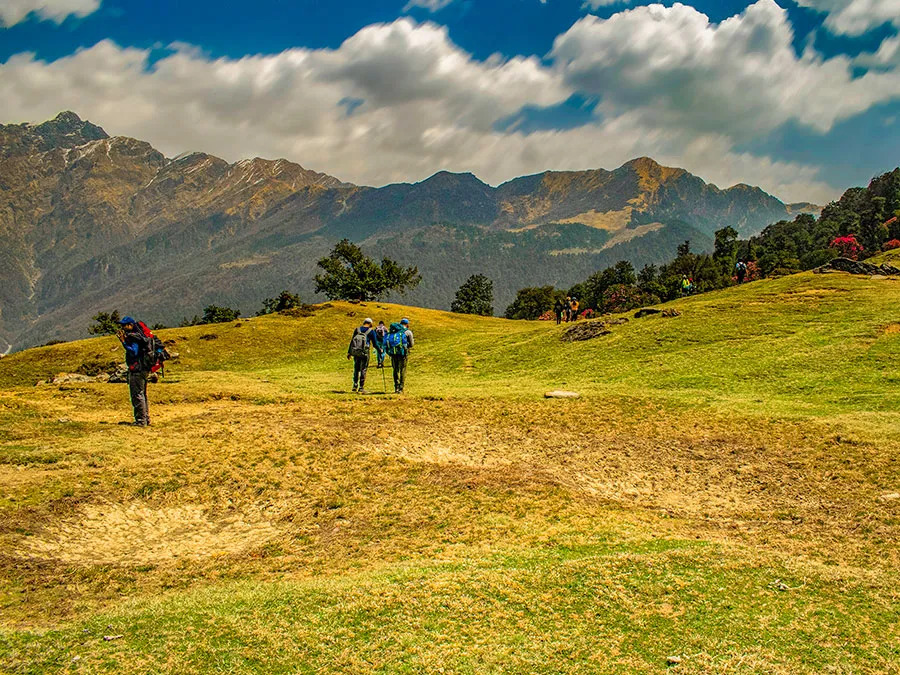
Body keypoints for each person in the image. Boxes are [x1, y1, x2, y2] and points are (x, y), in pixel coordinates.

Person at [116, 316, 151, 426]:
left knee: (137, 395)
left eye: (124, 326)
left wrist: (124, 342)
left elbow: (133, 352)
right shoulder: (141, 336)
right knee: (142, 394)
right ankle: (145, 418)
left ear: (130, 325)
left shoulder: (133, 337)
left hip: (137, 369)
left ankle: (141, 421)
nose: (123, 328)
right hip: (144, 369)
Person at [347, 317, 377, 393]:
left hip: (356, 352)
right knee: (363, 369)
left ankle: (355, 385)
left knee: (356, 369)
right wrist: (380, 350)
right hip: (365, 352)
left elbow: (352, 341)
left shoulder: (357, 330)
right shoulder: (371, 331)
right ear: (370, 323)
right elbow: (375, 343)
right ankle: (361, 387)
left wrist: (349, 352)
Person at [386, 318, 414, 393]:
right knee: (402, 370)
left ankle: (396, 387)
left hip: (393, 353)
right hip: (403, 353)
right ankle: (401, 388)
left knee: (395, 370)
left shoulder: (393, 331)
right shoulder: (408, 332)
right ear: (407, 324)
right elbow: (411, 344)